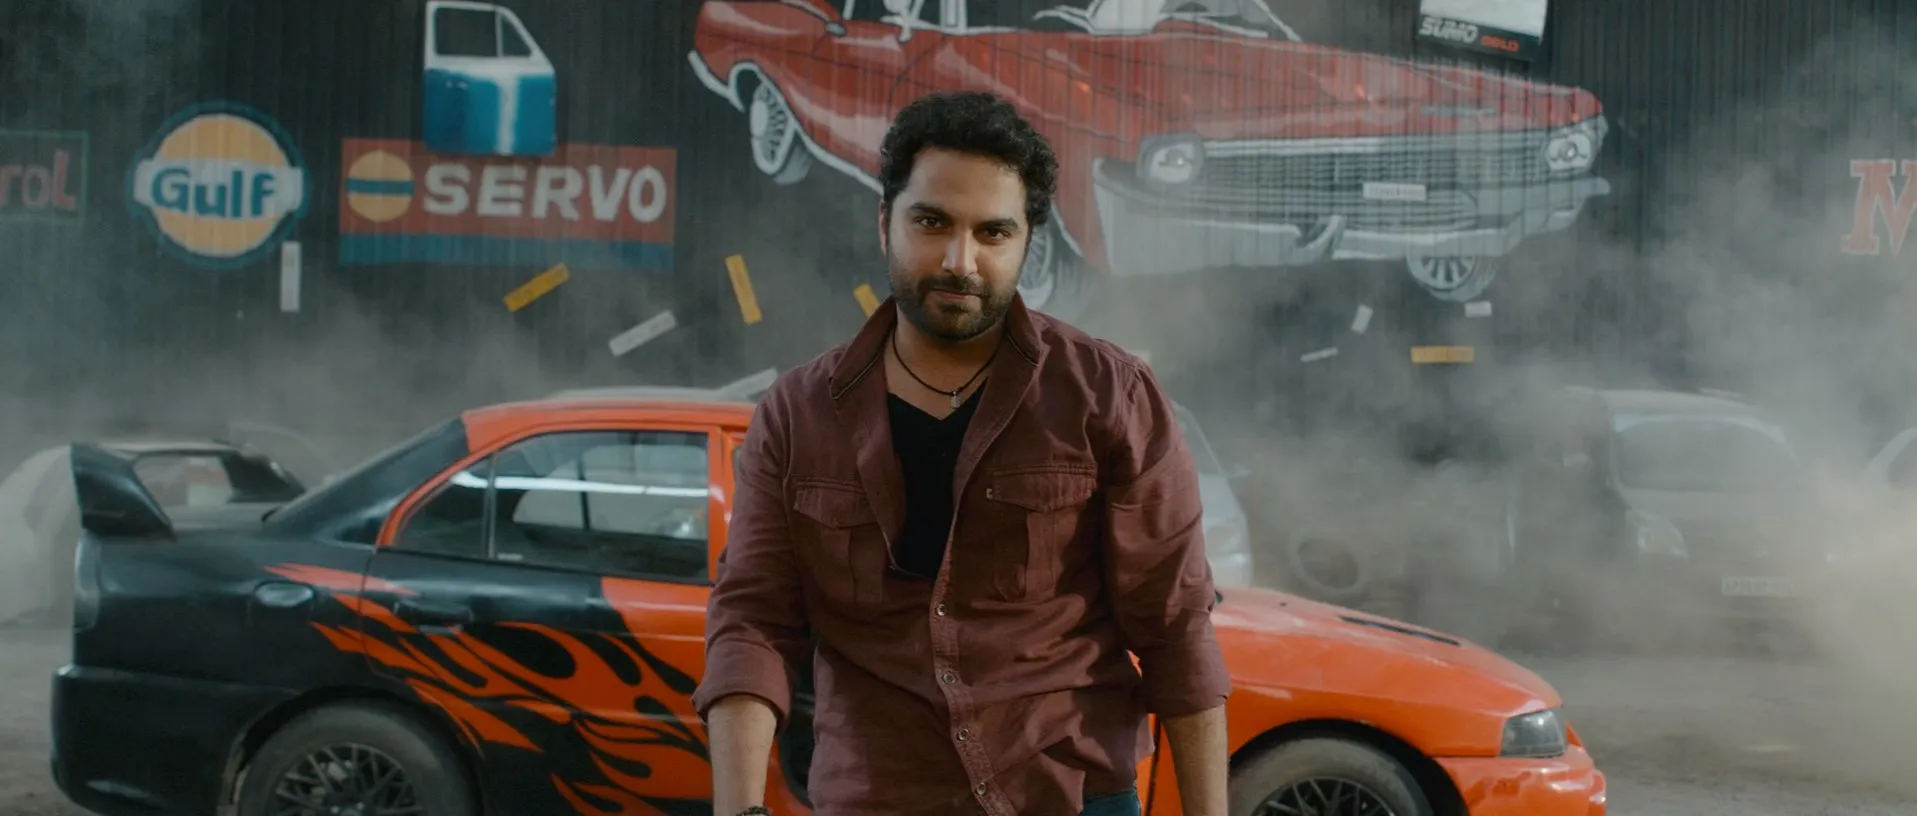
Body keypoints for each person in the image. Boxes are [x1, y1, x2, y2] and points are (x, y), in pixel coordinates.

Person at [693, 90, 1231, 816]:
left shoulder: (1109, 396)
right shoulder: (797, 415)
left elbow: (1175, 627)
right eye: (932, 222)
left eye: (992, 233)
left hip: (1069, 797)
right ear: (884, 223)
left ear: (1026, 243)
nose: (959, 260)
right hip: (878, 800)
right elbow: (753, 621)